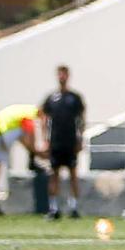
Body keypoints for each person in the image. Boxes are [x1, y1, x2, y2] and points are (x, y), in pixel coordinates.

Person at [39, 65, 86, 221]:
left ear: (68, 76)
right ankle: (54, 208)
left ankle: (74, 207)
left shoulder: (75, 98)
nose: (62, 77)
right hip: (56, 142)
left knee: (73, 174)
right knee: (54, 175)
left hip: (70, 141)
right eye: (59, 74)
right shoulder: (51, 98)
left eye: (64, 74)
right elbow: (44, 119)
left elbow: (81, 119)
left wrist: (81, 138)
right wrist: (45, 139)